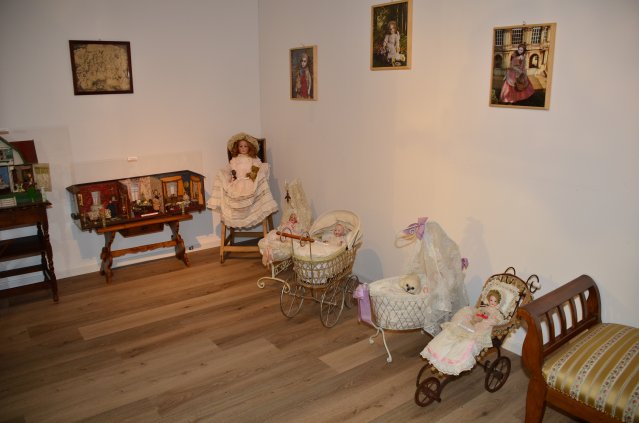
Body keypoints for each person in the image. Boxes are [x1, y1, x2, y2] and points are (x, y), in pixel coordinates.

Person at [420, 289, 504, 375]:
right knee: (454, 331)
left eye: (495, 301)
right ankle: (439, 354)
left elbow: (497, 321)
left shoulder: (496, 313)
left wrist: (488, 320)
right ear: (488, 299)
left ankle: (451, 360)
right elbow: (476, 313)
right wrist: (476, 316)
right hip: (475, 323)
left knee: (466, 340)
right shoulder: (483, 308)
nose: (492, 302)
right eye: (491, 300)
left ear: (498, 302)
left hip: (482, 327)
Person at [207, 133, 278, 229]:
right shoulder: (235, 159)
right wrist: (226, 174)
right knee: (233, 197)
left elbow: (259, 166)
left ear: (249, 147)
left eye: (245, 146)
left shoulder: (253, 159)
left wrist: (254, 174)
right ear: (237, 147)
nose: (243, 148)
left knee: (249, 196)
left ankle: (250, 214)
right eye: (241, 146)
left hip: (249, 182)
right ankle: (236, 216)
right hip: (237, 183)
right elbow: (229, 168)